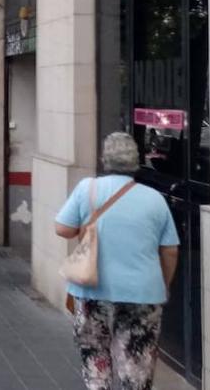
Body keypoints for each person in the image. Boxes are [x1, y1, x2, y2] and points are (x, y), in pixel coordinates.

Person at [55, 132, 179, 390]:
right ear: (136, 162)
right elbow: (170, 251)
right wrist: (164, 283)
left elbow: (62, 228)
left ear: (104, 160)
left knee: (95, 353)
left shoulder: (87, 189)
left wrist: (87, 230)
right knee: (137, 360)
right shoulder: (155, 199)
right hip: (143, 292)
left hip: (92, 289)